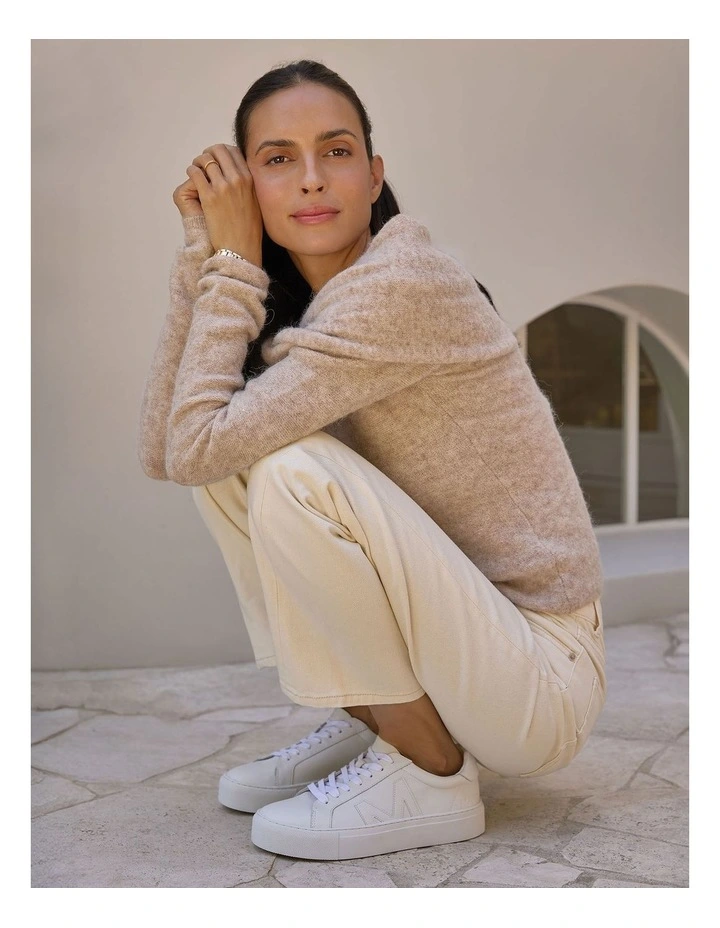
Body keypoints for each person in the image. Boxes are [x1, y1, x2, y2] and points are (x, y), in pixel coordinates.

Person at [137, 59, 606, 862]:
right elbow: (170, 451)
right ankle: (375, 720)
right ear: (248, 188)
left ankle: (428, 770)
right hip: (468, 651)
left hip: (540, 679)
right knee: (236, 467)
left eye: (337, 151)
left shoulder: (401, 285)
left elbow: (191, 443)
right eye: (278, 159)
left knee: (290, 470)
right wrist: (206, 256)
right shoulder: (313, 305)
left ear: (375, 175)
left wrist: (234, 266)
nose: (311, 179)